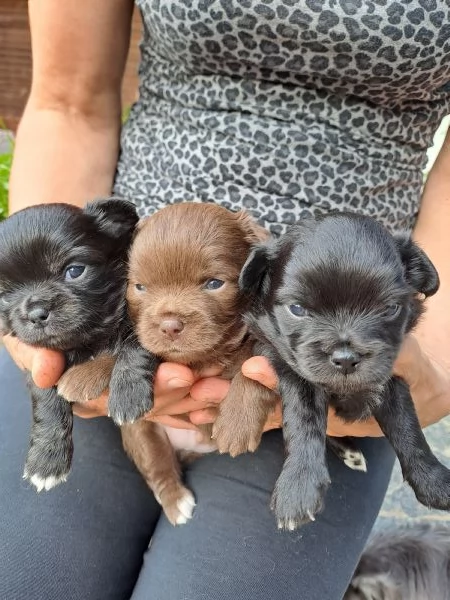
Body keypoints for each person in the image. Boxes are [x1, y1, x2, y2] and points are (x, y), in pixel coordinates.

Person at [1, 1, 450, 598]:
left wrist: (433, 364)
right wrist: (52, 295)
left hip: (343, 308)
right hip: (113, 301)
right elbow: (68, 102)